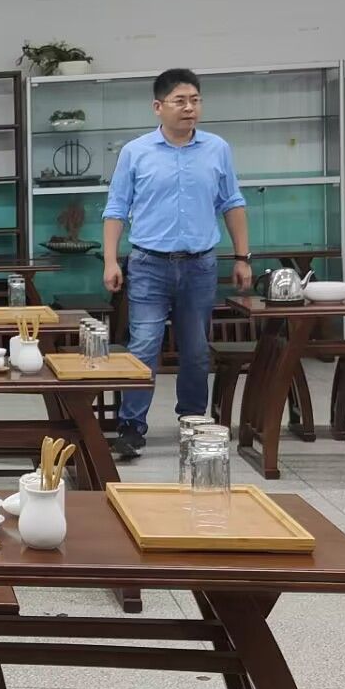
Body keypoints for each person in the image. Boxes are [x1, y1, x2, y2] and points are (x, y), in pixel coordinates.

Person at [101, 68, 252, 460]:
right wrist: (110, 260)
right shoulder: (136, 152)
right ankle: (131, 426)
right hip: (149, 264)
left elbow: (232, 202)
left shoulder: (217, 148)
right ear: (158, 107)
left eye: (195, 100)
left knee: (196, 348)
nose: (190, 108)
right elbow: (116, 208)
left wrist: (242, 257)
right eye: (180, 101)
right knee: (143, 345)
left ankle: (193, 421)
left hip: (200, 265)